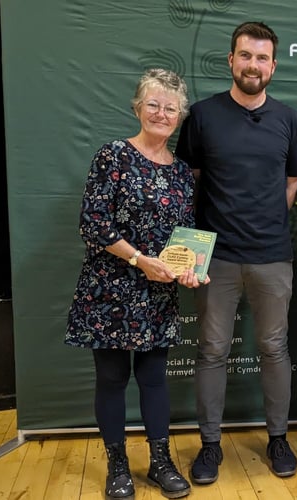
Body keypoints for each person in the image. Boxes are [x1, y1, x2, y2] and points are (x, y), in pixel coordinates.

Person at [175, 21, 297, 481]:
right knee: (211, 349)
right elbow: (188, 179)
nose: (253, 65)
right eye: (245, 56)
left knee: (273, 347)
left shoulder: (290, 120)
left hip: (273, 254)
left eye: (262, 57)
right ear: (231, 60)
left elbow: (293, 180)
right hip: (216, 257)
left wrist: (266, 217)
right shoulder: (203, 116)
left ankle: (278, 438)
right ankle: (210, 445)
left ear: (274, 65)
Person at [65, 68, 201, 500]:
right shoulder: (112, 156)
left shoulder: (181, 173)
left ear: (179, 116)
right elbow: (93, 224)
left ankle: (160, 463)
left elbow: (186, 237)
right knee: (110, 377)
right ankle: (118, 466)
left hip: (158, 292)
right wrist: (141, 260)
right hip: (109, 289)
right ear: (138, 107)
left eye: (170, 107)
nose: (161, 113)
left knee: (155, 378)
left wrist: (191, 268)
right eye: (153, 104)